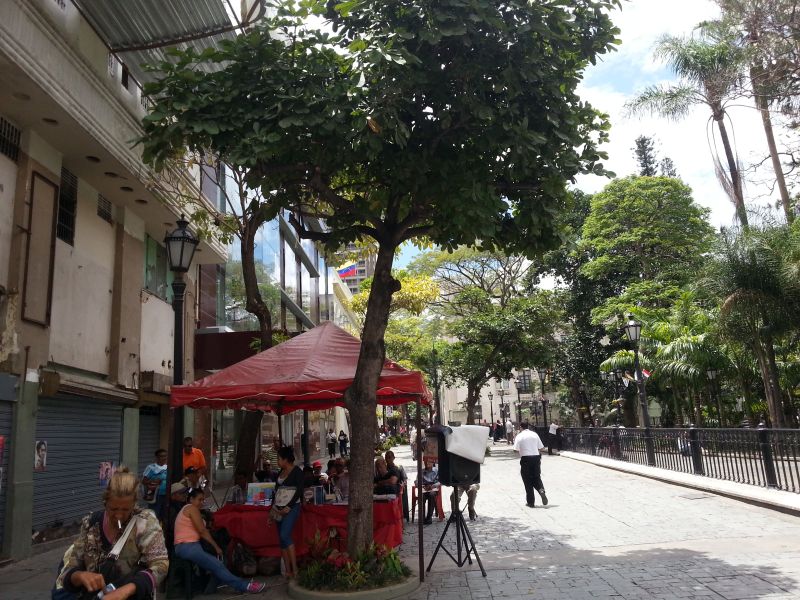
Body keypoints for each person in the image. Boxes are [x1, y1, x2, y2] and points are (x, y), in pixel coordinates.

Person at [53, 467, 168, 599]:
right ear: (105, 502)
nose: (119, 515)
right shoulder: (91, 523)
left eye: (126, 509)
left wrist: (126, 590)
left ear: (134, 504)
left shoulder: (145, 523)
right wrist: (79, 576)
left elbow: (161, 565)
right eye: (113, 509)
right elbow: (70, 567)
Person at [174, 488, 265, 594]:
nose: (202, 502)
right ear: (191, 499)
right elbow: (202, 531)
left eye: (203, 500)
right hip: (188, 546)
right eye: (199, 499)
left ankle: (210, 589)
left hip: (189, 546)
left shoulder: (190, 509)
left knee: (218, 563)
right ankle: (245, 586)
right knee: (218, 564)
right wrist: (216, 547)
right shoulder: (191, 508)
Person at [271, 446, 304, 579]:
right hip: (278, 508)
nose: (278, 461)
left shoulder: (297, 471)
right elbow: (276, 492)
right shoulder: (280, 472)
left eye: (279, 458)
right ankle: (288, 570)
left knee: (285, 535)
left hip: (291, 508)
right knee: (282, 539)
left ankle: (295, 569)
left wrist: (289, 506)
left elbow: (300, 490)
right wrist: (272, 510)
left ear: (286, 460)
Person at [513, 422, 548, 508]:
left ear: (521, 427)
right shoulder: (534, 434)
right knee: (536, 477)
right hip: (536, 458)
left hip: (526, 459)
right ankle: (541, 490)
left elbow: (515, 450)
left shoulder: (519, 436)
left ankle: (531, 502)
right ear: (528, 427)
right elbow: (542, 448)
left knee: (527, 480)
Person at [141, 449, 168, 522]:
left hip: (166, 495)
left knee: (165, 516)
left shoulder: (167, 468)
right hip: (155, 496)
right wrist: (153, 481)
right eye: (161, 456)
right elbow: (143, 481)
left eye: (165, 456)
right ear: (157, 457)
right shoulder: (151, 468)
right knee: (154, 516)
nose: (164, 458)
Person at [385, 450, 408, 519]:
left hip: (397, 487)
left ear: (393, 458)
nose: (388, 459)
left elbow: (405, 479)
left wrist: (403, 484)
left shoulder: (399, 467)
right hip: (387, 487)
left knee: (402, 489)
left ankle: (403, 513)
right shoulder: (384, 468)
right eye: (386, 457)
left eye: (390, 457)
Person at [419, 457, 440, 524]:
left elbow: (440, 481)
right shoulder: (422, 471)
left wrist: (433, 486)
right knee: (421, 497)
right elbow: (417, 481)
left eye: (429, 462)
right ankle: (422, 517)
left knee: (432, 494)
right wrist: (421, 485)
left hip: (433, 488)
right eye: (425, 462)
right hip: (424, 489)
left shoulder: (436, 471)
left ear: (432, 463)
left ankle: (429, 517)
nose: (427, 463)